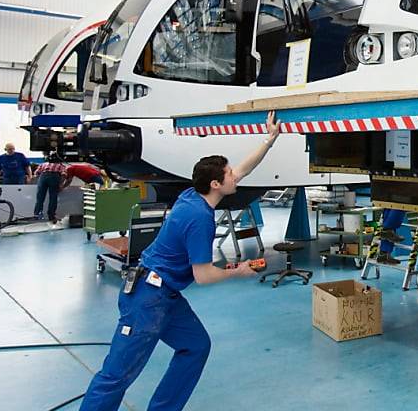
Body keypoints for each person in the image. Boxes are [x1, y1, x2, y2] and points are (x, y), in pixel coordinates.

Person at [80, 112, 282, 411]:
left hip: (165, 293)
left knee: (196, 346)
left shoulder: (193, 194)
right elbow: (202, 276)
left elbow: (242, 170)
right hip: (148, 299)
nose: (234, 177)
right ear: (216, 184)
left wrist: (269, 140)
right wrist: (237, 271)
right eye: (228, 175)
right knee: (118, 374)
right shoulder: (200, 218)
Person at [33, 152, 67, 223]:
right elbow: (64, 175)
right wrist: (61, 184)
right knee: (53, 197)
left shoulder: (43, 164)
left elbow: (36, 173)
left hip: (43, 177)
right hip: (54, 177)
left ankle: (37, 215)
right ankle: (51, 216)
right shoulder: (61, 165)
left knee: (40, 197)